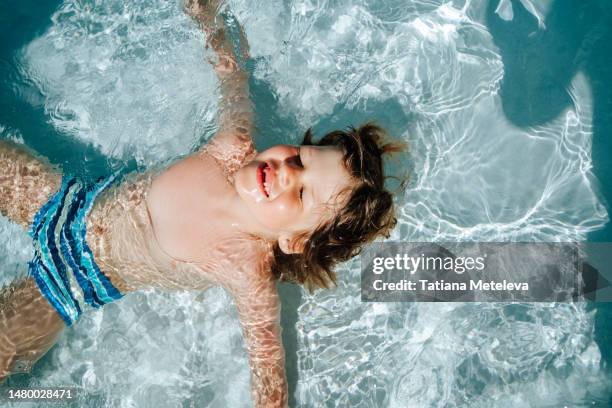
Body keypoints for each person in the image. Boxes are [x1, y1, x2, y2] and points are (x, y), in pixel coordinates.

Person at [0, 1, 402, 406]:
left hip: (66, 284)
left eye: (300, 193)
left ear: (294, 241)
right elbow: (232, 79)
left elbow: (267, 366)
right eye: (299, 158)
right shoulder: (232, 147)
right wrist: (207, 18)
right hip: (63, 201)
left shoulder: (247, 268)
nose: (286, 171)